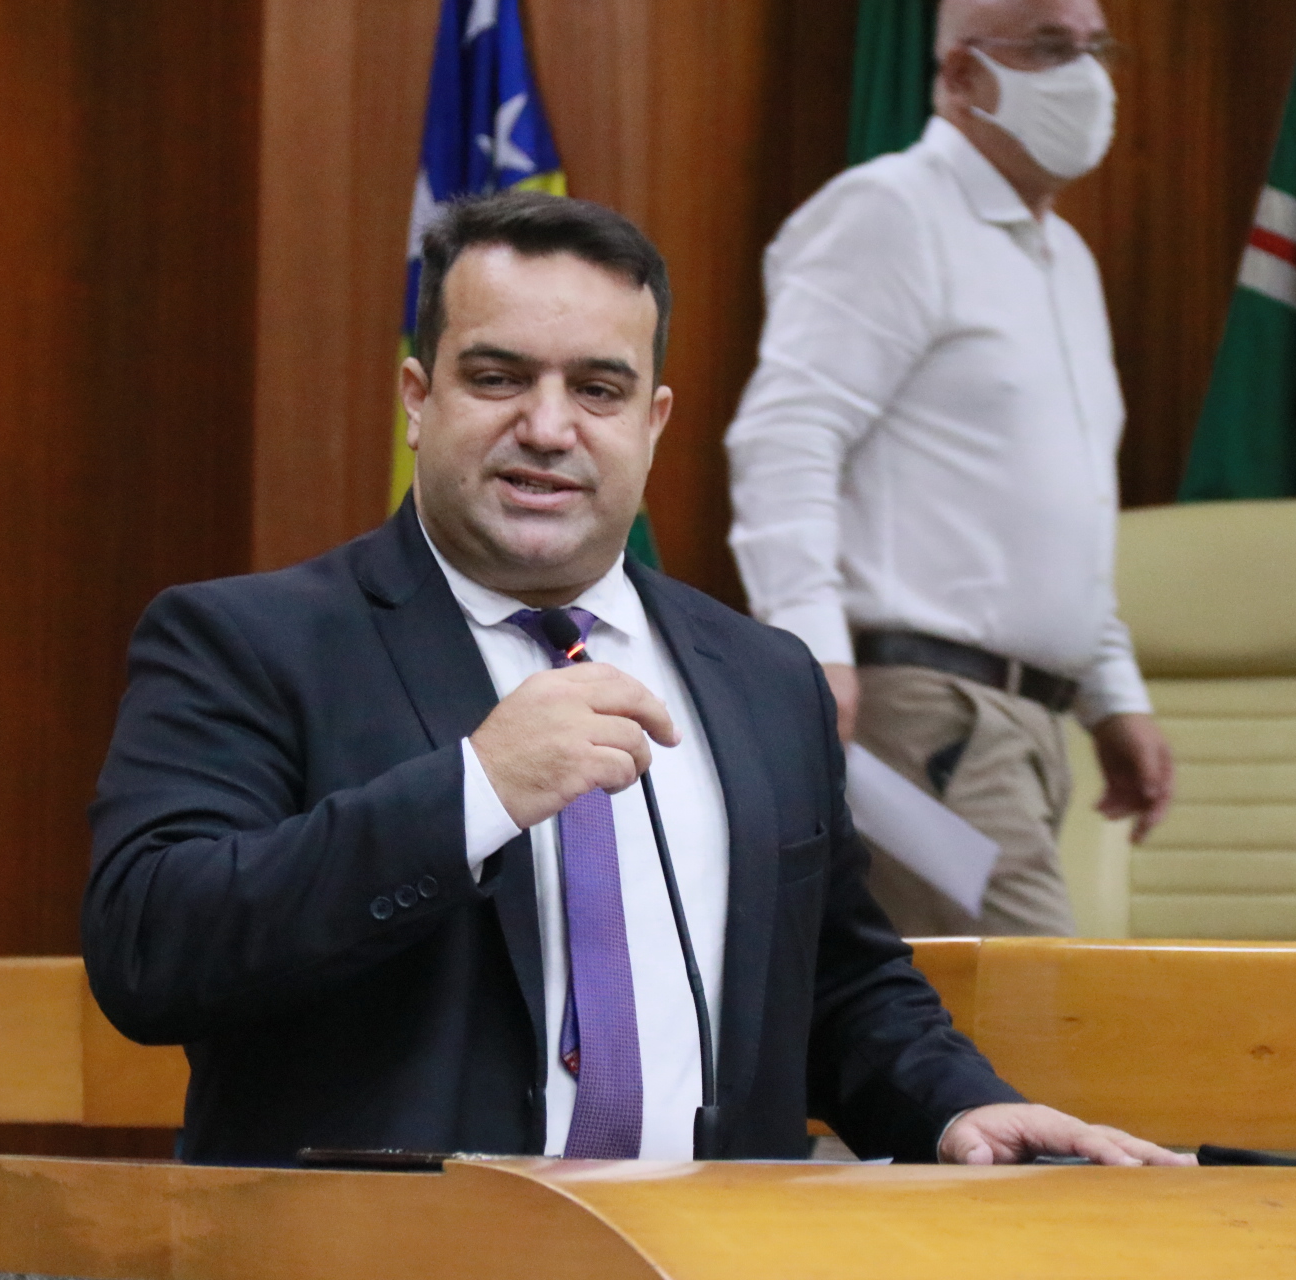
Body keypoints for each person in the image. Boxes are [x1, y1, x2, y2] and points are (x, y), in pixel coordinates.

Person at [85, 189, 1188, 1168]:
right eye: (498, 377)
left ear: (653, 422)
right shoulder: (249, 641)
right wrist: (474, 791)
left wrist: (957, 1107)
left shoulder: (764, 677)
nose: (548, 427)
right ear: (418, 398)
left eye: (598, 388)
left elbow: (835, 982)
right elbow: (151, 948)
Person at [724, 0, 1174, 938]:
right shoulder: (891, 211)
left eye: (1096, 48)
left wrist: (1112, 697)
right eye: (1050, 46)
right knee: (1028, 1007)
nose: (1087, 76)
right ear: (963, 74)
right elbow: (787, 435)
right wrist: (810, 649)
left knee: (966, 1011)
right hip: (925, 714)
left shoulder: (1066, 259)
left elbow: (1059, 508)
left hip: (1030, 726)